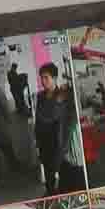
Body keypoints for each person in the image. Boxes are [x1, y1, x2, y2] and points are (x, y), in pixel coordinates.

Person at [34, 62, 77, 195]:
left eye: (46, 78)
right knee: (48, 175)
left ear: (55, 78)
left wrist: (65, 145)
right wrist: (37, 140)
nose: (43, 81)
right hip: (44, 142)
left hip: (58, 142)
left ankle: (61, 194)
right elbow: (38, 119)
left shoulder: (64, 96)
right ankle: (50, 193)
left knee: (62, 174)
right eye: (41, 78)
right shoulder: (40, 96)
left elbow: (65, 120)